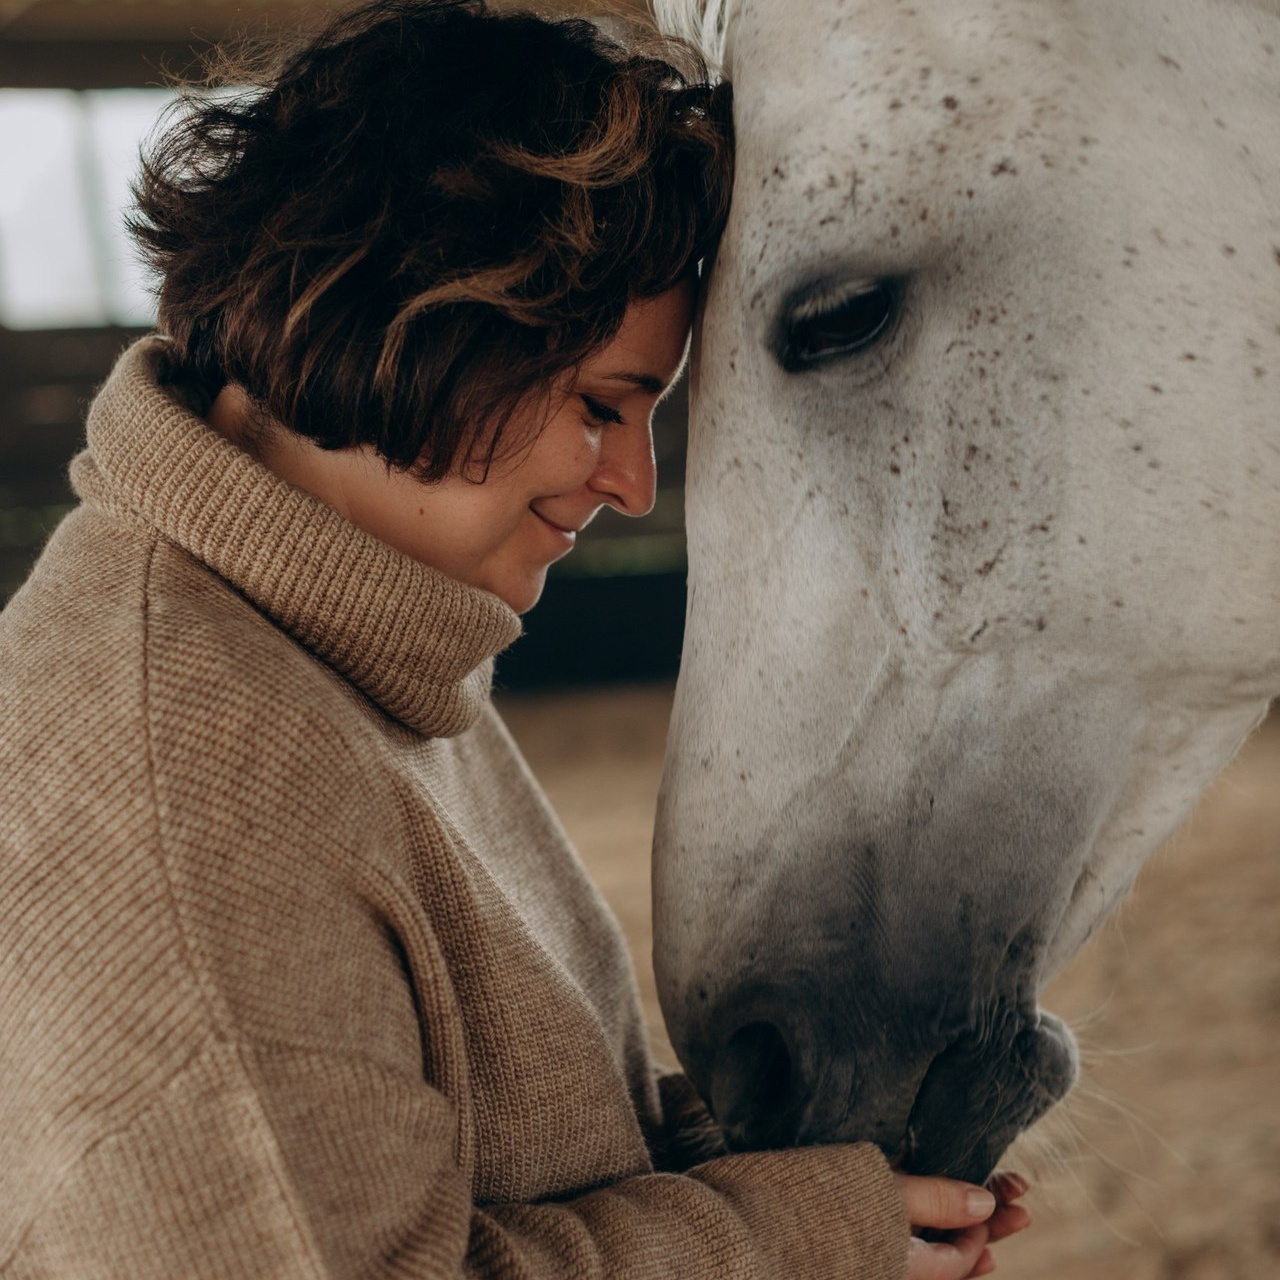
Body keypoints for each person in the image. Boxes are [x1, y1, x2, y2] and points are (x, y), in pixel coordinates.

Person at [0, 2, 1031, 1276]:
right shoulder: (184, 788)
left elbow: (510, 1136)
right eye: (603, 404)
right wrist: (795, 1240)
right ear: (423, 319)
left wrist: (823, 1178)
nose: (632, 484)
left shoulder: (342, 635)